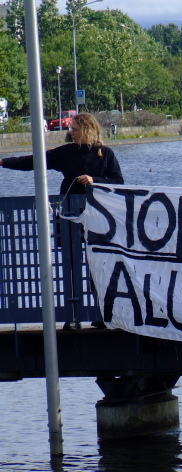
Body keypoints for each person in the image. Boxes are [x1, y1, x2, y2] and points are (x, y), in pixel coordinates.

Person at [0, 112, 124, 330]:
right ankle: (73, 315)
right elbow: (34, 161)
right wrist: (3, 162)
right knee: (71, 266)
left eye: (74, 129)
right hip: (68, 219)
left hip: (99, 220)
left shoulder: (105, 153)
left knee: (98, 267)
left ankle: (100, 314)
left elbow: (118, 181)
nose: (70, 132)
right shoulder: (67, 153)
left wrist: (95, 180)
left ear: (87, 129)